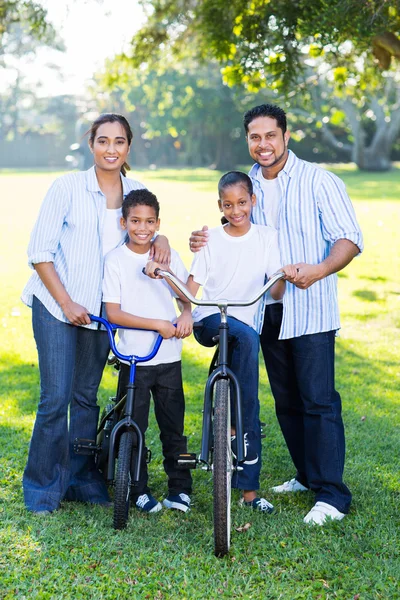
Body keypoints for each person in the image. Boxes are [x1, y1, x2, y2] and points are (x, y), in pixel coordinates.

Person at [189, 104, 363, 525]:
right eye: (254, 137)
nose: (262, 144)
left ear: (286, 136)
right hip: (263, 309)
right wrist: (202, 238)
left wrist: (319, 269)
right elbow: (234, 224)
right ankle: (307, 475)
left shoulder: (319, 180)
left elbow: (350, 239)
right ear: (247, 139)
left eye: (270, 135)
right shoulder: (247, 185)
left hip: (311, 309)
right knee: (286, 400)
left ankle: (332, 495)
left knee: (318, 401)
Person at [21, 113, 169, 514]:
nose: (111, 149)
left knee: (86, 397)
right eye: (103, 141)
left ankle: (80, 479)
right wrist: (67, 303)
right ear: (91, 144)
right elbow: (39, 253)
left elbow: (146, 228)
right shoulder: (67, 187)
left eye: (119, 142)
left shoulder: (136, 189)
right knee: (56, 398)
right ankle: (41, 488)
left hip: (102, 312)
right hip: (58, 305)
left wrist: (164, 238)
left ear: (128, 147)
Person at [149, 171, 297, 512]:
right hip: (210, 320)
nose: (236, 210)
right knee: (245, 355)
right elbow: (192, 286)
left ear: (252, 202)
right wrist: (185, 309)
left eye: (242, 203)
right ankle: (238, 421)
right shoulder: (210, 239)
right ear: (220, 205)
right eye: (228, 205)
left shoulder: (266, 237)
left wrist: (282, 276)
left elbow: (275, 289)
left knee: (245, 336)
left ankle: (249, 492)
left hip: (243, 322)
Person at [103, 189, 193, 513]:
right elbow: (113, 313)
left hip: (169, 359)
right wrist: (156, 324)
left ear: (158, 223)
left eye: (149, 222)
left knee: (174, 429)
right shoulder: (115, 260)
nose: (142, 228)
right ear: (123, 221)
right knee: (133, 426)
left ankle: (180, 488)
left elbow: (187, 297)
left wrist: (184, 314)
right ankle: (137, 490)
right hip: (134, 358)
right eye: (135, 221)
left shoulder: (165, 254)